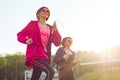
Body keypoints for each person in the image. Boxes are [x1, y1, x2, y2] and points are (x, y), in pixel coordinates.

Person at [17, 6, 62, 80]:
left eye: (47, 11)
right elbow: (20, 34)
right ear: (38, 13)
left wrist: (56, 31)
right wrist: (25, 40)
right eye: (43, 10)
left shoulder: (50, 28)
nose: (46, 12)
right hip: (34, 55)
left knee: (35, 77)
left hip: (45, 56)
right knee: (50, 72)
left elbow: (57, 42)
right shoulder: (33, 24)